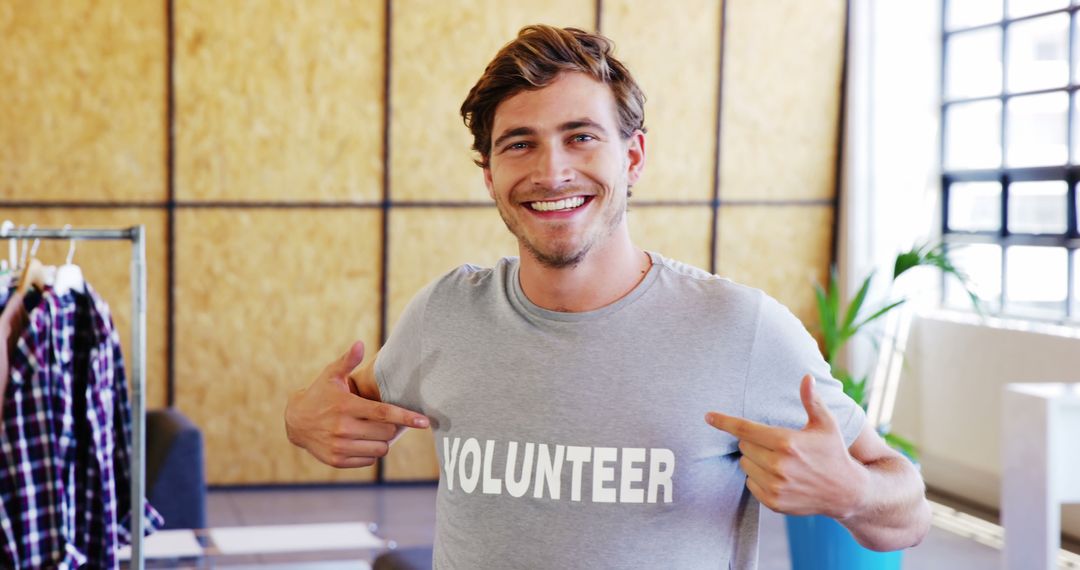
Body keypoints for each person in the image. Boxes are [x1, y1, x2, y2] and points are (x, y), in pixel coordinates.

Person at [285, 24, 930, 568]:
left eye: (581, 136)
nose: (551, 171)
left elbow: (906, 511)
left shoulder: (740, 328)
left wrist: (849, 491)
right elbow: (340, 406)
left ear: (634, 157)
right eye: (519, 144)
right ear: (489, 176)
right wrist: (302, 419)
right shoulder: (445, 315)